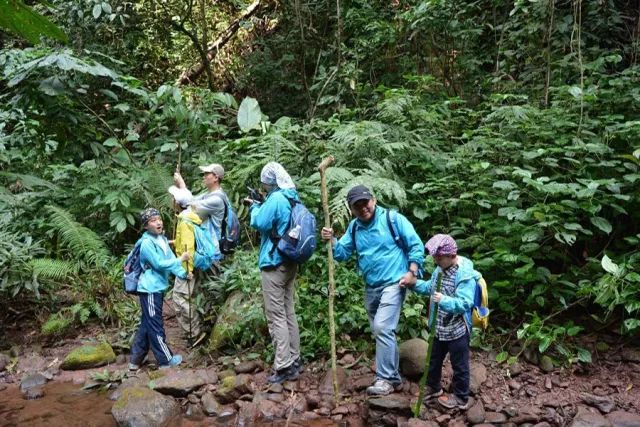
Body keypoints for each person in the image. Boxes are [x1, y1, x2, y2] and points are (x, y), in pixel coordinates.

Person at [320, 185, 425, 395]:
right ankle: (394, 378)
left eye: (365, 203)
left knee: (382, 328)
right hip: (371, 287)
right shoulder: (354, 228)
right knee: (383, 332)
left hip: (395, 283)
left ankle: (385, 379)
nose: (363, 208)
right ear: (351, 209)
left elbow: (416, 245)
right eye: (356, 205)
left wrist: (412, 271)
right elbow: (341, 254)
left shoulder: (392, 220)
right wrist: (331, 240)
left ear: (374, 200)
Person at [404, 234, 478, 410]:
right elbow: (430, 288)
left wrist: (443, 300)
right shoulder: (440, 269)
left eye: (439, 258)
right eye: (435, 257)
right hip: (439, 328)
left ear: (452, 255)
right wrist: (413, 284)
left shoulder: (465, 274)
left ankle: (461, 397)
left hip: (457, 330)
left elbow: (465, 303)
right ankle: (434, 387)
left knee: (459, 365)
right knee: (433, 360)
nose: (436, 261)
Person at [246, 162, 302, 384]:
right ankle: (294, 358)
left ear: (271, 182)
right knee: (288, 312)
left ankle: (283, 365)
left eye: (265, 184)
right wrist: (262, 203)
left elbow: (259, 222)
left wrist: (253, 207)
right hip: (290, 261)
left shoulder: (277, 198)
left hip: (274, 262)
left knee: (276, 316)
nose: (264, 188)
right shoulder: (292, 196)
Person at [129, 207, 192, 370]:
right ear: (145, 226)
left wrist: (184, 273)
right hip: (148, 289)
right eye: (152, 220)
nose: (158, 222)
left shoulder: (161, 239)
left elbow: (169, 259)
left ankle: (134, 361)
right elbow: (158, 264)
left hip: (157, 288)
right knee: (155, 324)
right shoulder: (146, 243)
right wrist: (181, 259)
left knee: (147, 324)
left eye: (159, 219)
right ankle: (165, 360)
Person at [168, 185, 206, 345]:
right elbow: (185, 241)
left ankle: (194, 334)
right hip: (193, 263)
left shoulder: (184, 222)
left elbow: (188, 246)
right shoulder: (192, 217)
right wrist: (173, 242)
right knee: (190, 297)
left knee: (180, 298)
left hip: (185, 267)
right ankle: (195, 330)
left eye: (173, 198)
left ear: (177, 202)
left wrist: (187, 270)